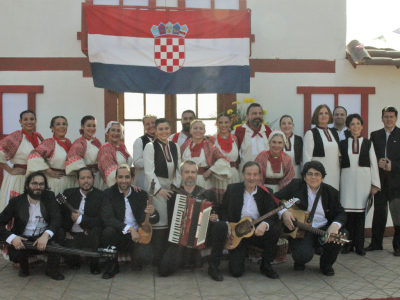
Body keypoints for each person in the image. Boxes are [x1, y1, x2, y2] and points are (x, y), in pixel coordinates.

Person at [209, 161, 281, 280]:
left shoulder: (266, 192)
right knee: (236, 272)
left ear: (259, 176)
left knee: (275, 230)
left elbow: (272, 214)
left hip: (256, 232)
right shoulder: (232, 189)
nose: (252, 178)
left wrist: (265, 224)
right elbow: (223, 209)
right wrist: (227, 225)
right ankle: (213, 267)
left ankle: (266, 265)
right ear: (243, 175)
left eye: (255, 174)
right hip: (237, 233)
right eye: (248, 174)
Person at [274, 161, 347, 276]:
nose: (313, 177)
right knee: (302, 255)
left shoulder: (331, 192)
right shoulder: (295, 186)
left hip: (323, 230)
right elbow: (274, 198)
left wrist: (335, 225)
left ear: (322, 177)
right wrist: (284, 212)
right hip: (302, 231)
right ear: (304, 176)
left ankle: (326, 264)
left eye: (317, 174)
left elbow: (341, 213)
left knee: (340, 236)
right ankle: (300, 259)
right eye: (310, 174)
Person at [158, 160, 218, 277]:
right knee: (163, 271)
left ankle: (194, 259)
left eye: (193, 172)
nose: (190, 175)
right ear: (181, 174)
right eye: (187, 172)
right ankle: (184, 259)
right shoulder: (174, 195)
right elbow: (170, 222)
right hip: (179, 240)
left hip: (200, 240)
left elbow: (214, 217)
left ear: (196, 174)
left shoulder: (207, 194)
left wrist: (213, 217)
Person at [0, 171, 64, 280]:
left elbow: (56, 218)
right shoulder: (16, 202)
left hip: (43, 238)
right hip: (23, 239)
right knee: (16, 254)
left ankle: (51, 270)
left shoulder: (49, 197)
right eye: (34, 183)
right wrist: (12, 238)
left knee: (60, 233)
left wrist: (46, 235)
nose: (38, 187)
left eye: (41, 184)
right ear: (27, 186)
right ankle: (24, 268)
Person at [101, 165, 159, 279]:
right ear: (116, 178)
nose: (124, 180)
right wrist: (130, 229)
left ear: (132, 178)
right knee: (108, 232)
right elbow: (107, 218)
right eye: (120, 177)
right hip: (119, 233)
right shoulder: (108, 193)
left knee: (143, 259)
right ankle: (111, 266)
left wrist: (152, 213)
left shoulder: (140, 194)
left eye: (127, 177)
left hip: (137, 236)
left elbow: (155, 219)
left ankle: (136, 259)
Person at [339, 114, 380, 256]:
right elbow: (337, 165)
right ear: (348, 127)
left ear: (362, 126)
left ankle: (359, 246)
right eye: (352, 124)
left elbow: (374, 164)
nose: (355, 126)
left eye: (358, 124)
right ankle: (346, 245)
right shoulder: (342, 144)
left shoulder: (368, 143)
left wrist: (375, 184)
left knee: (360, 216)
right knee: (347, 216)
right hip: (347, 183)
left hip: (363, 183)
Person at [144, 118, 181, 263]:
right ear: (156, 131)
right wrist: (159, 190)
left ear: (170, 130)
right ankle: (158, 258)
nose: (164, 132)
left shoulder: (175, 146)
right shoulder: (150, 146)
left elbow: (178, 168)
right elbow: (149, 172)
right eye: (160, 129)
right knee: (160, 222)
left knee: (172, 220)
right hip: (156, 188)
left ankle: (169, 258)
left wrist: (175, 186)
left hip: (172, 187)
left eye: (166, 128)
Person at [366, 106, 400, 256]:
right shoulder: (375, 135)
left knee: (397, 215)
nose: (389, 119)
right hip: (380, 181)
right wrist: (377, 164)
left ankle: (398, 246)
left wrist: (394, 166)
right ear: (382, 118)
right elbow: (370, 158)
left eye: (391, 116)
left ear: (396, 118)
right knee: (379, 213)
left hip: (396, 183)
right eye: (386, 116)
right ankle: (376, 243)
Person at [61, 167, 105, 274]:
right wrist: (65, 231)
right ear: (77, 180)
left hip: (91, 235)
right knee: (72, 262)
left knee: (97, 232)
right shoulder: (69, 193)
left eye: (89, 177)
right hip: (73, 235)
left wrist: (81, 219)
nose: (86, 181)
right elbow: (61, 215)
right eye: (82, 178)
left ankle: (94, 264)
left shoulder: (101, 196)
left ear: (94, 179)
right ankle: (74, 260)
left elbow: (102, 220)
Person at [0, 110, 44, 211]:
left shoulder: (38, 136)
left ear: (36, 121)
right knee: (18, 207)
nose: (29, 122)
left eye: (31, 119)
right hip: (19, 177)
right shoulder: (17, 136)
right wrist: (10, 170)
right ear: (20, 122)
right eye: (25, 119)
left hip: (35, 177)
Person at [181, 120, 231, 201]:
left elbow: (223, 160)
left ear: (204, 131)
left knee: (202, 204)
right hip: (187, 181)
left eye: (201, 128)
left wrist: (210, 171)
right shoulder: (185, 145)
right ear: (191, 130)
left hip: (203, 181)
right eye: (195, 128)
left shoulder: (209, 145)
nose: (198, 131)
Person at [27, 116, 75, 195]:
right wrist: (49, 171)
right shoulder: (50, 142)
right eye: (58, 124)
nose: (61, 126)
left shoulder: (69, 142)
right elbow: (33, 156)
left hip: (70, 181)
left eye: (64, 124)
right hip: (56, 182)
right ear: (52, 128)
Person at [303, 104, 340, 190]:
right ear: (316, 116)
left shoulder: (334, 133)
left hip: (335, 174)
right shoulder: (311, 133)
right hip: (317, 175)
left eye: (326, 113)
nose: (324, 115)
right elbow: (307, 158)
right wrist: (308, 177)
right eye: (321, 113)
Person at [65, 116, 105, 190]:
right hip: (85, 178)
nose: (92, 128)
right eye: (88, 125)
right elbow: (73, 161)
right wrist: (87, 170)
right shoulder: (79, 142)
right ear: (82, 127)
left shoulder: (97, 142)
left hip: (98, 177)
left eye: (94, 126)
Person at [232, 103, 272, 173]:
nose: (258, 116)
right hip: (246, 174)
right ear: (247, 116)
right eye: (254, 113)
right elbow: (224, 137)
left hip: (265, 173)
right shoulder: (239, 131)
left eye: (260, 113)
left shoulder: (267, 130)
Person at [211, 113, 241, 199]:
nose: (223, 125)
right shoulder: (212, 139)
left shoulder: (235, 138)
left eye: (226, 122)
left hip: (233, 174)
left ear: (230, 123)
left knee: (233, 199)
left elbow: (238, 157)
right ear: (216, 124)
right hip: (219, 175)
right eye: (220, 123)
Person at [97, 121, 133, 188]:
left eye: (118, 130)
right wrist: (124, 184)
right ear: (107, 132)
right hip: (114, 186)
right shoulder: (105, 149)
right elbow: (111, 173)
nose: (115, 133)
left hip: (126, 183)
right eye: (113, 130)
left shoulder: (122, 146)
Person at [132, 115, 157, 189]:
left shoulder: (164, 140)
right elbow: (137, 163)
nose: (151, 126)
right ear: (144, 126)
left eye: (153, 123)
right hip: (143, 179)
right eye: (147, 124)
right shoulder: (139, 141)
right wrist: (154, 161)